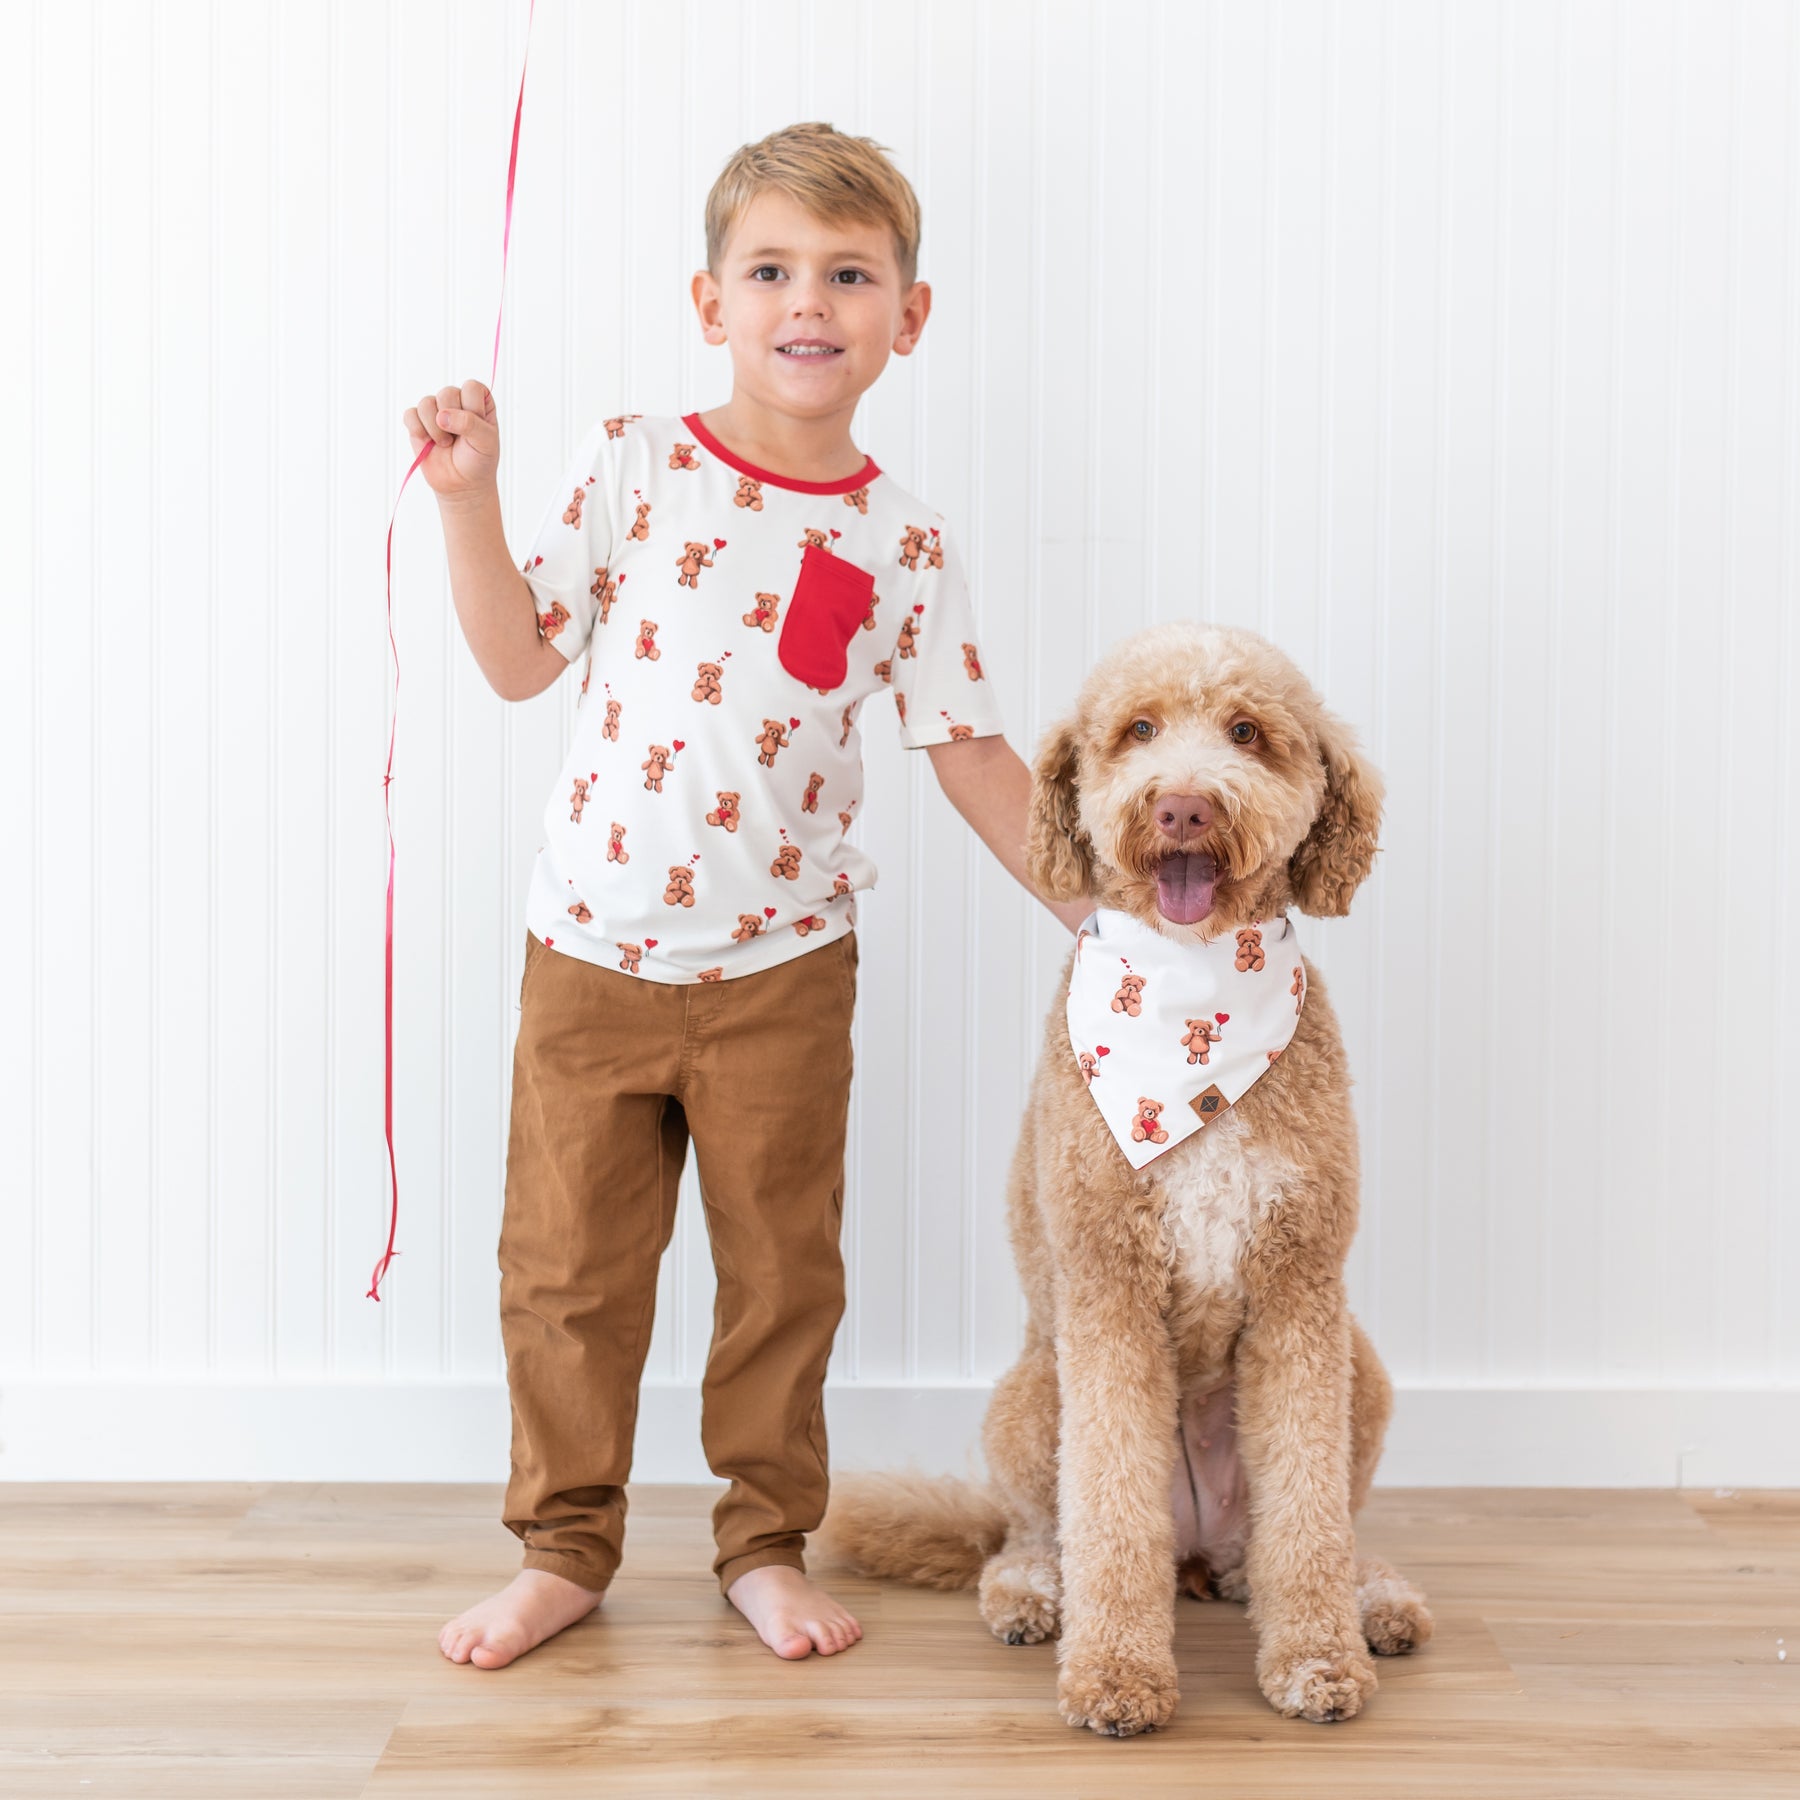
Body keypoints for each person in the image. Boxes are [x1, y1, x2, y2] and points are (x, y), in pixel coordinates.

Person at [402, 121, 1088, 1670]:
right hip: (589, 955)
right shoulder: (637, 461)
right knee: (567, 1272)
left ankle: (760, 1544)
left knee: (783, 1274)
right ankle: (564, 1549)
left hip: (785, 968)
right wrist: (470, 498)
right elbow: (519, 661)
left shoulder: (902, 540)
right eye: (771, 269)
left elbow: (969, 750)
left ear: (908, 317)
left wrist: (1100, 912)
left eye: (850, 275)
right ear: (709, 301)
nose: (809, 301)